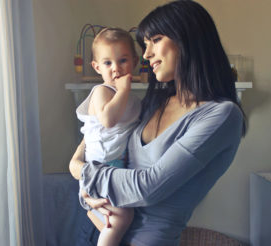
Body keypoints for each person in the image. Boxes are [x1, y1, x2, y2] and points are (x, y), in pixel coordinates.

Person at [69, 1, 247, 246]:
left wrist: (81, 171)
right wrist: (82, 180)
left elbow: (148, 187)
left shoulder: (221, 116)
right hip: (98, 227)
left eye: (156, 40)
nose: (146, 54)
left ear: (188, 39)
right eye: (145, 44)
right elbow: (101, 133)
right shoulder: (155, 102)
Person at [72, 27, 141, 246]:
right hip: (98, 167)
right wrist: (123, 91)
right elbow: (108, 120)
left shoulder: (132, 100)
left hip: (115, 166)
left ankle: (98, 222)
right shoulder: (102, 91)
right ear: (97, 67)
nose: (116, 69)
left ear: (135, 62)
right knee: (123, 217)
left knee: (121, 218)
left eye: (123, 60)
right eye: (108, 63)